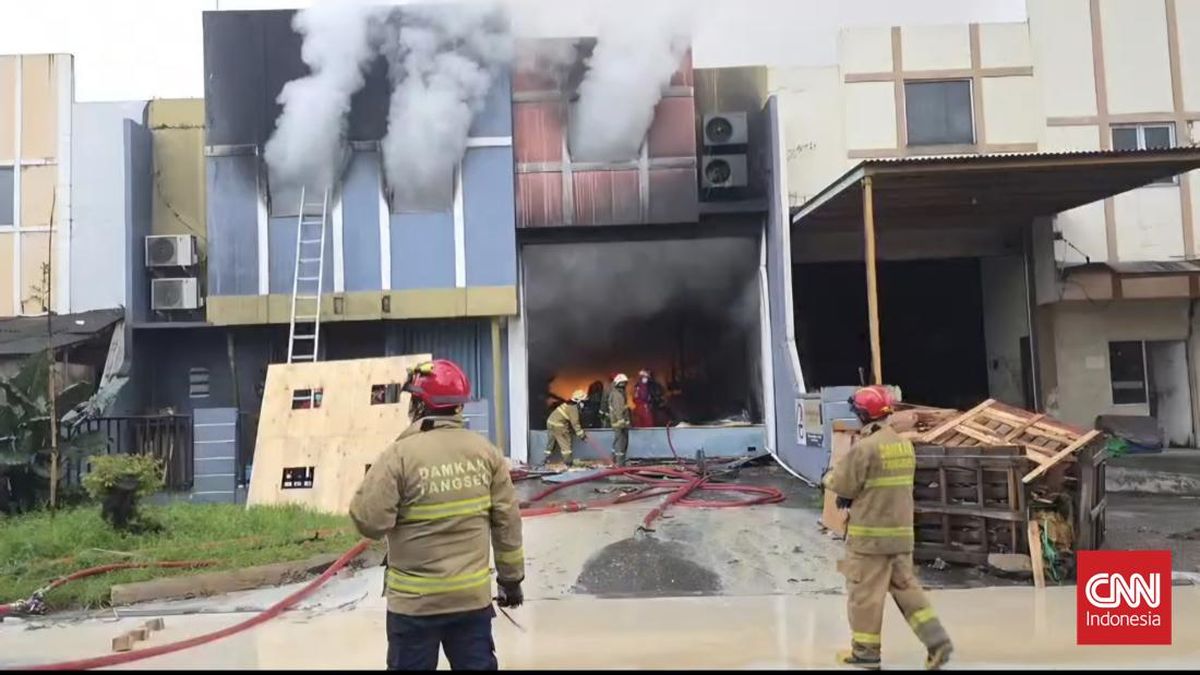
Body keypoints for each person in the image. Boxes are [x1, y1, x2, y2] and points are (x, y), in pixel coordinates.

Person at [349, 359, 525, 671]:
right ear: (458, 407)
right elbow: (507, 523)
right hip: (470, 600)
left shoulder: (399, 455)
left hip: (414, 605)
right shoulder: (486, 453)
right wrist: (511, 581)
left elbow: (369, 521)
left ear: (418, 404)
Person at [823, 385, 953, 671]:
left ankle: (865, 653)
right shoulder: (902, 445)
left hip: (870, 539)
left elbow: (842, 485)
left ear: (861, 414)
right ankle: (937, 641)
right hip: (901, 535)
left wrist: (829, 476)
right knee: (907, 589)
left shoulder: (865, 448)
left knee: (864, 595)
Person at [545, 389, 588, 466]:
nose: (584, 404)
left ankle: (544, 461)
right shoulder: (573, 408)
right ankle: (568, 464)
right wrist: (582, 436)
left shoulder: (567, 403)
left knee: (551, 443)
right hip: (558, 426)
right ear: (578, 401)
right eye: (583, 401)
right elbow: (575, 424)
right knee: (566, 444)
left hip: (550, 422)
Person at [608, 373, 632, 466]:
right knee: (621, 444)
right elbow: (619, 410)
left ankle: (614, 462)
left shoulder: (618, 393)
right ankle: (619, 464)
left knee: (618, 442)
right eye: (623, 383)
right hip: (619, 424)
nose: (624, 385)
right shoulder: (617, 395)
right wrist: (622, 422)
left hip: (619, 423)